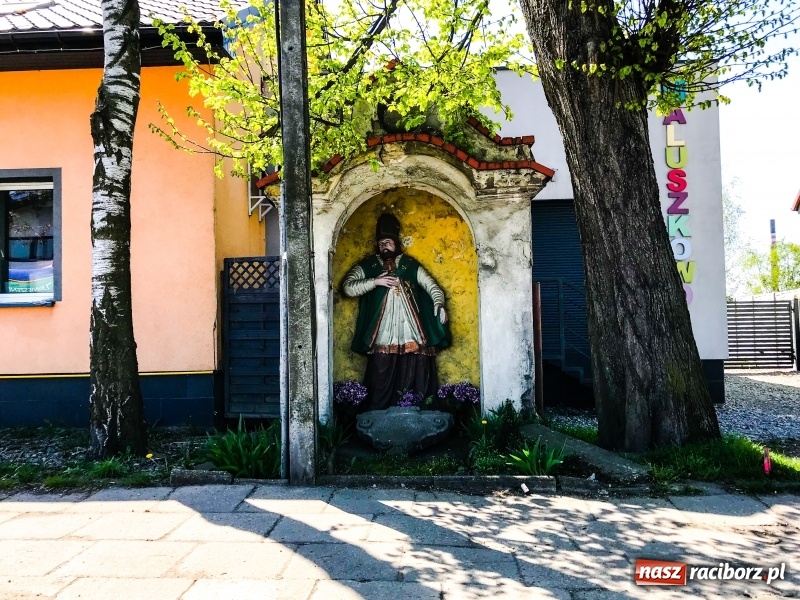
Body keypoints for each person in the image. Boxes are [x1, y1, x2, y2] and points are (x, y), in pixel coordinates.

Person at [342, 213, 451, 410]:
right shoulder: (369, 266)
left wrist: (439, 303)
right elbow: (348, 287)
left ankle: (419, 408)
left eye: (388, 241)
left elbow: (432, 287)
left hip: (412, 329)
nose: (385, 245)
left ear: (396, 242)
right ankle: (378, 411)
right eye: (381, 242)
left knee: (417, 366)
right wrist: (375, 282)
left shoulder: (410, 265)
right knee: (381, 368)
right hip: (383, 331)